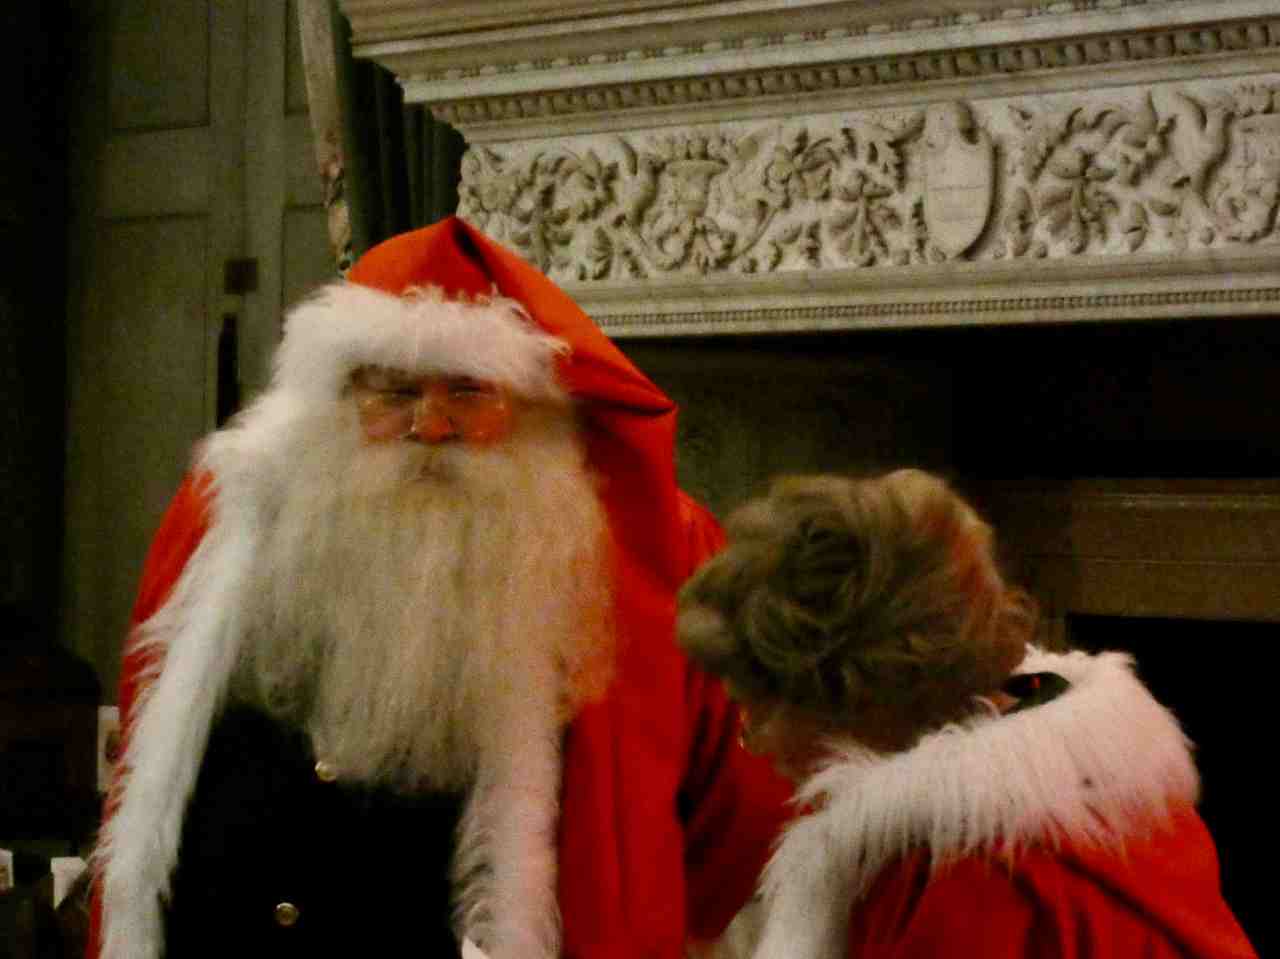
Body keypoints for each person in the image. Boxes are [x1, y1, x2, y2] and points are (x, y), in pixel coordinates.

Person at [87, 216, 792, 959]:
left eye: (468, 391)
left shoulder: (640, 548)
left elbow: (737, 804)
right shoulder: (228, 510)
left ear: (531, 403)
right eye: (393, 390)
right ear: (341, 393)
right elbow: (146, 740)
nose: (429, 423)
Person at [677, 469, 1258, 959]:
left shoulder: (967, 883)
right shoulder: (1108, 796)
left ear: (860, 695)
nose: (753, 740)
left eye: (762, 710)